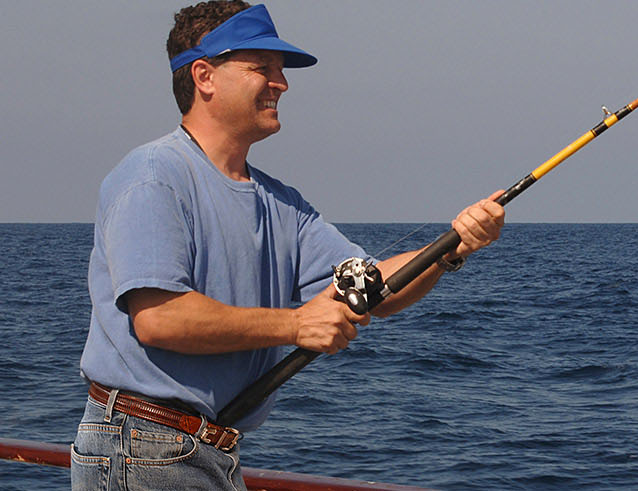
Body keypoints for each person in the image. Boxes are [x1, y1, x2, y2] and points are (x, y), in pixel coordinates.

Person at [71, 2, 505, 489]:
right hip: (142, 445)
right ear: (204, 76)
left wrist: (454, 245)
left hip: (211, 447)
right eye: (263, 68)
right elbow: (159, 318)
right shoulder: (153, 177)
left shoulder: (282, 203)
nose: (282, 83)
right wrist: (297, 324)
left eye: (280, 71)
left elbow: (375, 290)